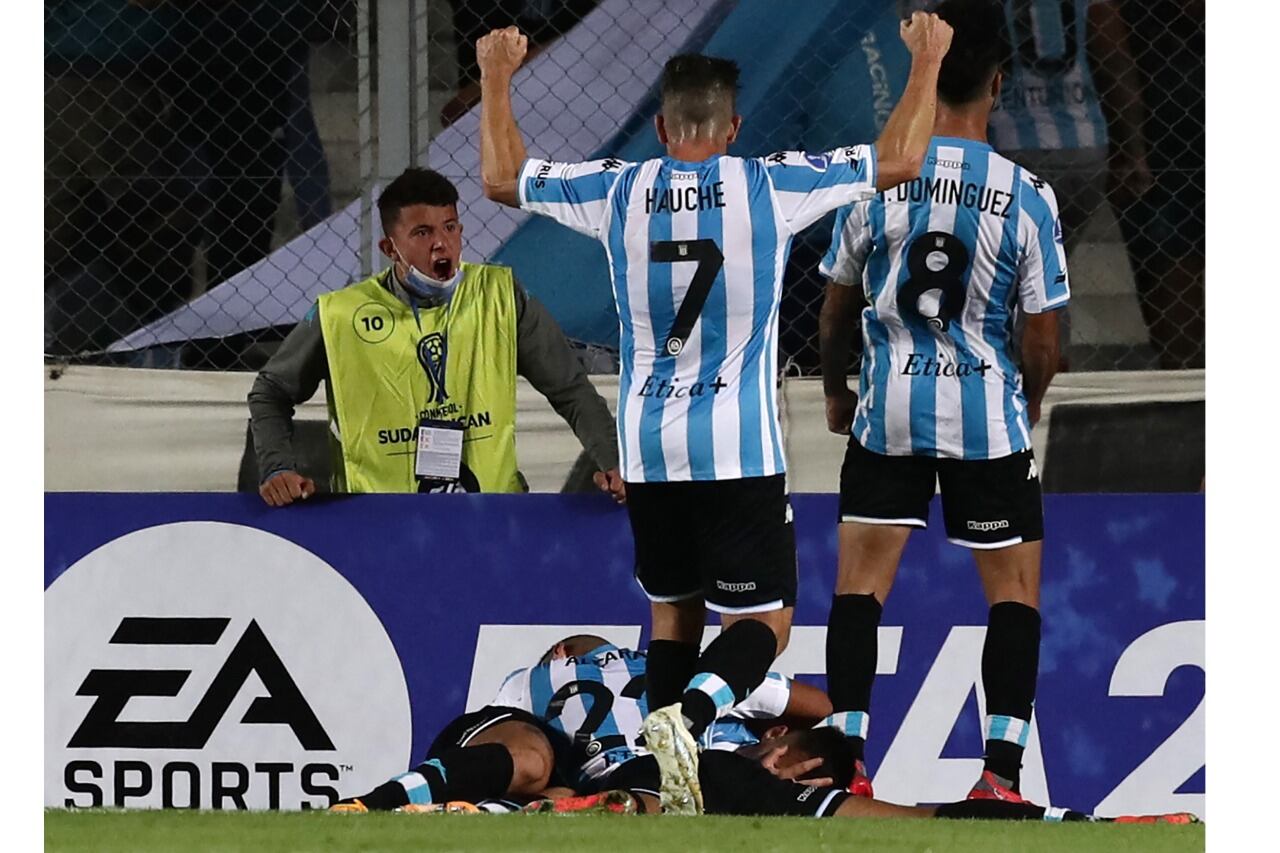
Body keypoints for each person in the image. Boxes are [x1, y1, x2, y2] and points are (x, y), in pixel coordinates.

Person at [475, 14, 953, 814]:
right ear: (734, 127)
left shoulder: (619, 187)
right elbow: (901, 157)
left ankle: (669, 777)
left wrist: (495, 75)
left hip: (650, 448)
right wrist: (927, 61)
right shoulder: (767, 183)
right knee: (766, 618)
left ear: (661, 128)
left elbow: (502, 176)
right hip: (735, 444)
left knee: (673, 612)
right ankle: (689, 720)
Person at [817, 0, 1066, 805]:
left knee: (860, 587)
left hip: (886, 410)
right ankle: (1001, 774)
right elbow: (1042, 341)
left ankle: (846, 761)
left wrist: (834, 386)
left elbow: (835, 304)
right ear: (997, 84)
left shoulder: (879, 176)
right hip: (986, 417)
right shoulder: (1028, 194)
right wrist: (1022, 400)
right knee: (1014, 592)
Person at [248, 167, 624, 503]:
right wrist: (278, 467)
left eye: (450, 227)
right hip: (375, 525)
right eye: (422, 232)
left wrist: (614, 462)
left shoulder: (502, 296)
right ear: (389, 249)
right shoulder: (340, 314)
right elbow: (270, 392)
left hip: (491, 517)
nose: (442, 243)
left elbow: (570, 389)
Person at [330, 634, 828, 814]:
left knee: (533, 769)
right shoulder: (692, 671)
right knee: (568, 793)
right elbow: (818, 705)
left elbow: (502, 754)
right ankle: (477, 815)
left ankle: (375, 804)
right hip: (660, 783)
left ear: (562, 651)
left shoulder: (533, 677)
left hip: (596, 773)